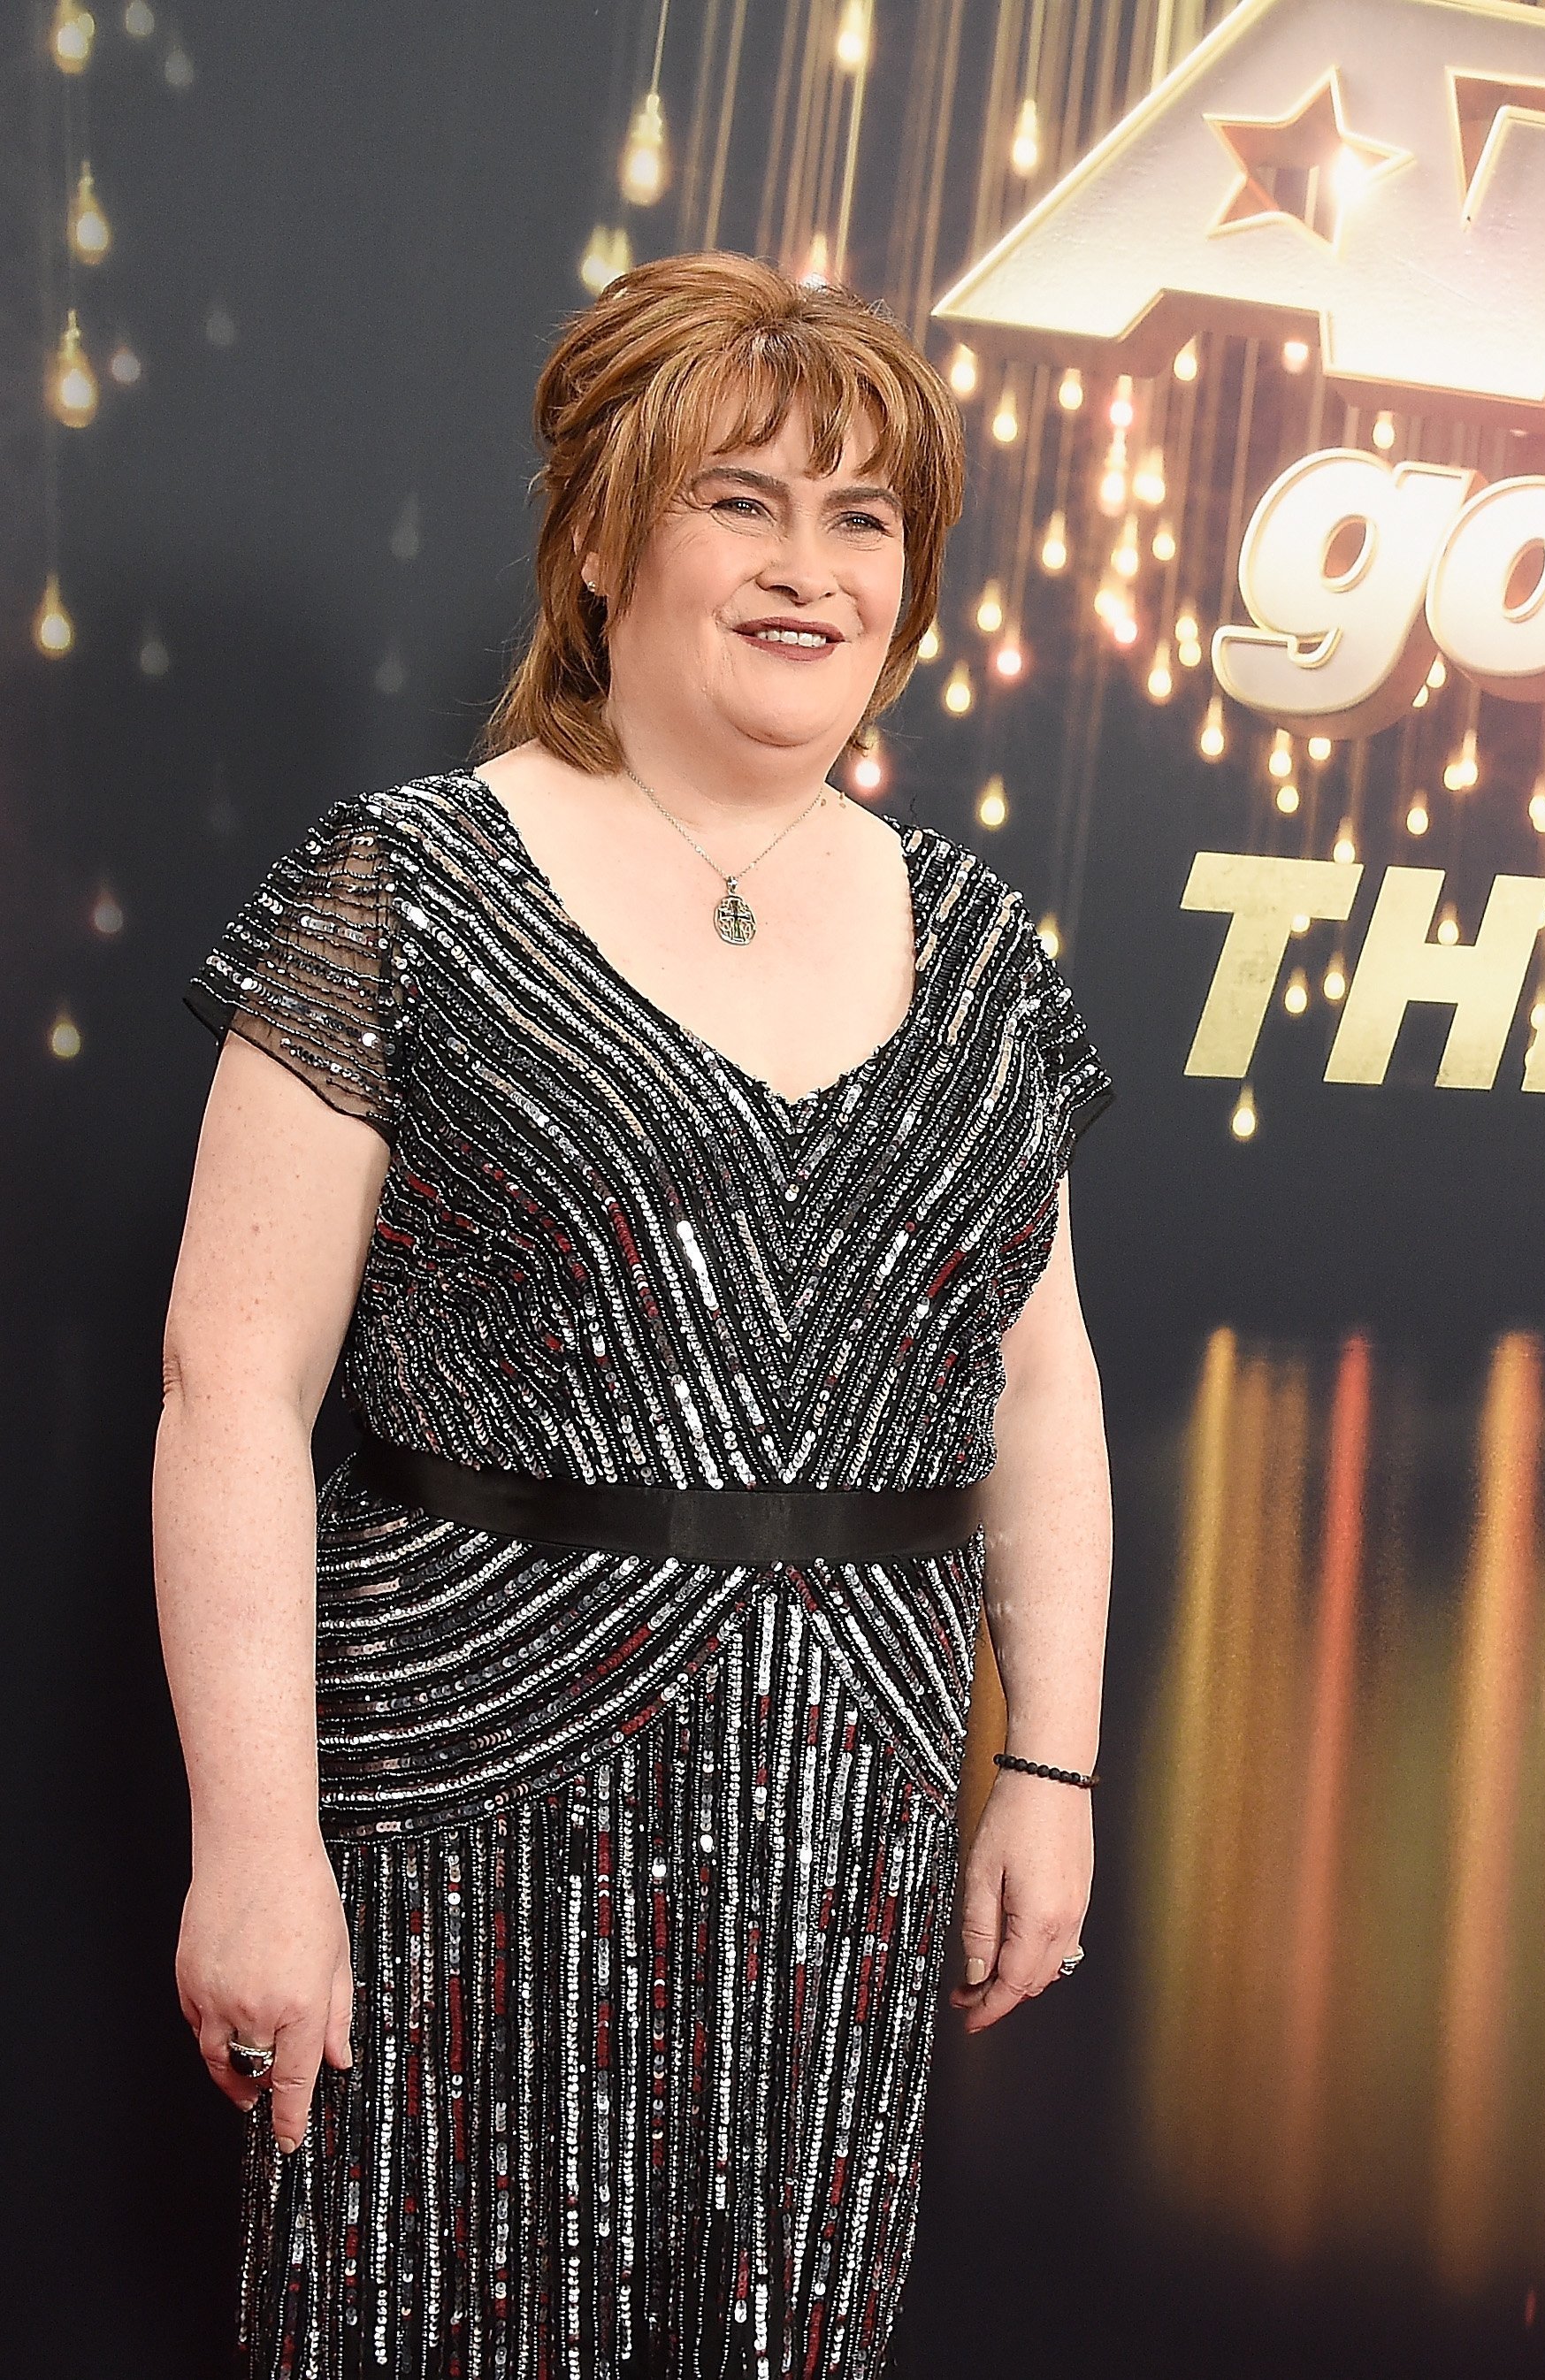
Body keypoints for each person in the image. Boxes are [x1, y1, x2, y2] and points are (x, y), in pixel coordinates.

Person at [152, 251, 1113, 2377]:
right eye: (741, 502)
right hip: (464, 1801)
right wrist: (252, 1845)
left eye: (864, 519)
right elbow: (234, 1380)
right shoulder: (408, 887)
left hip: (839, 1812)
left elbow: (1037, 1367)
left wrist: (1047, 1759)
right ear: (601, 538)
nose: (811, 569)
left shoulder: (981, 942)